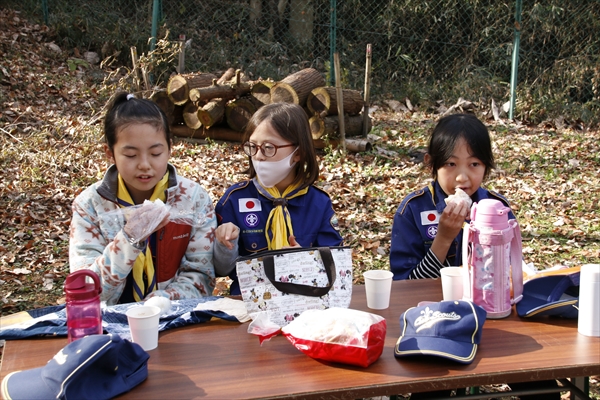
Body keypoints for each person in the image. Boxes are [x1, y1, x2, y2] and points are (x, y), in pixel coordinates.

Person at [390, 113, 559, 400]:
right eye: (451, 164)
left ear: (487, 166)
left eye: (474, 164)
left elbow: (508, 271)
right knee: (434, 390)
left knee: (541, 387)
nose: (462, 177)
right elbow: (405, 287)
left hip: (492, 318)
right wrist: (442, 239)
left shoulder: (497, 208)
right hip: (436, 322)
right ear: (431, 163)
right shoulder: (413, 211)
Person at [69, 92, 217, 305]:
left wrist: (161, 302)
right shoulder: (90, 205)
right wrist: (128, 240)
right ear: (109, 153)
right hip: (111, 324)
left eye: (156, 153)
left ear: (169, 149)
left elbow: (202, 276)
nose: (144, 164)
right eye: (131, 155)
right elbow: (86, 290)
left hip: (175, 319)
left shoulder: (193, 199)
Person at [213, 102, 343, 295]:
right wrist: (224, 245)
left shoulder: (318, 204)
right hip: (249, 303)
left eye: (268, 148)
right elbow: (221, 270)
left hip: (305, 301)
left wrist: (305, 260)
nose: (258, 157)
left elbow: (336, 267)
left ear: (298, 153)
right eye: (252, 147)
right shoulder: (234, 200)